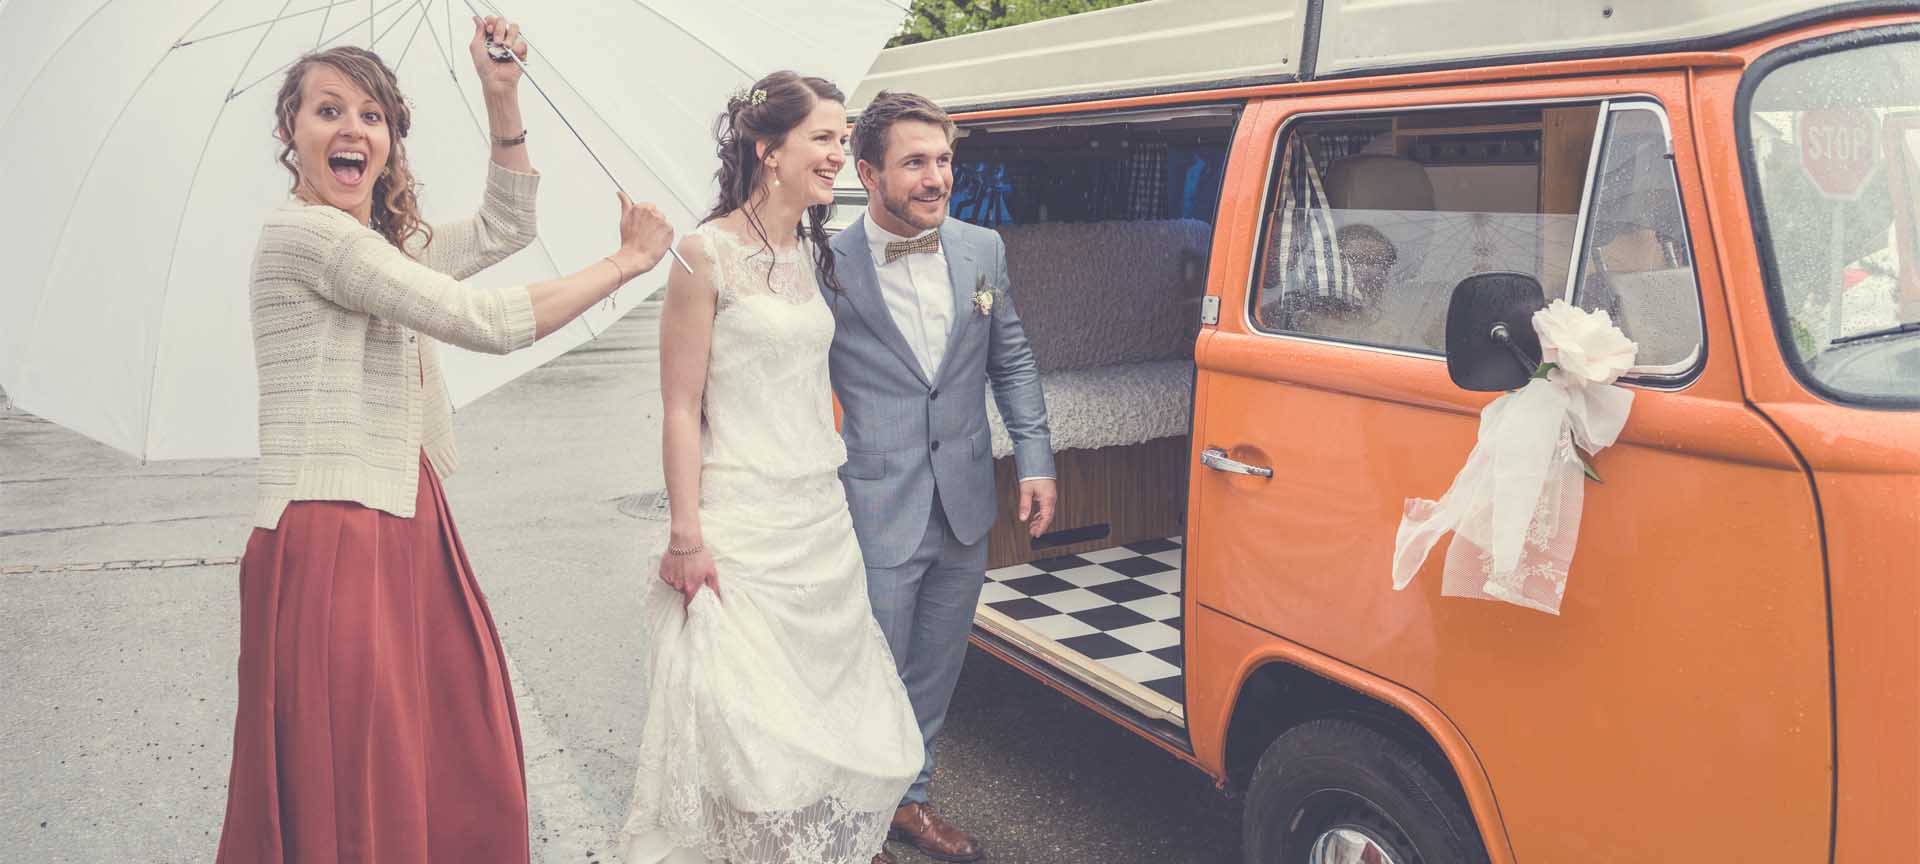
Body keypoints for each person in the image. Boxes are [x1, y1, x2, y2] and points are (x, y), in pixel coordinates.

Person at [217, 18, 675, 863]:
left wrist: (502, 94)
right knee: (355, 762)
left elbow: (501, 228)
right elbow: (482, 320)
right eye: (327, 112)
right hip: (334, 525)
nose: (352, 129)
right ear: (292, 133)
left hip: (398, 504)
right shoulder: (310, 236)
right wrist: (624, 266)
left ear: (389, 141)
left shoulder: (373, 242)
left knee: (440, 735)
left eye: (372, 115)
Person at [618, 71, 922, 864]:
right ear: (768, 148)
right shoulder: (701, 253)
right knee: (744, 733)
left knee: (822, 723)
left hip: (818, 524)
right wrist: (687, 534)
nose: (839, 153)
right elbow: (681, 407)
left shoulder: (808, 249)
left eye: (842, 136)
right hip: (740, 524)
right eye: (823, 137)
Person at [826, 90, 1057, 863]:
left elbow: (1011, 357)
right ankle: (853, 821)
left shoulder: (981, 248)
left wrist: (1034, 458)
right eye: (914, 162)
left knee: (935, 668)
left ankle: (908, 803)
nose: (936, 178)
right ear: (868, 172)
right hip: (873, 503)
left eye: (944, 160)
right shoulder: (824, 259)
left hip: (963, 501)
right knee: (868, 674)